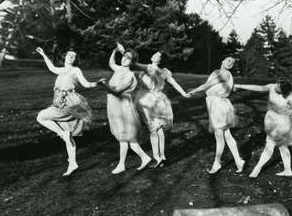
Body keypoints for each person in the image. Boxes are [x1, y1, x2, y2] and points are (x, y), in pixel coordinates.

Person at [36, 47, 105, 176]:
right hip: (58, 101)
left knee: (41, 117)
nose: (71, 57)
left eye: (74, 56)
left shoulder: (76, 70)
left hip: (68, 103)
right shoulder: (61, 70)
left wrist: (97, 83)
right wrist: (43, 54)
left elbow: (85, 84)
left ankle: (62, 133)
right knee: (68, 137)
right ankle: (73, 163)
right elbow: (51, 68)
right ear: (65, 57)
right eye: (69, 55)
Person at [235, 78, 292, 178]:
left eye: (278, 88)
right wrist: (239, 86)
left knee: (269, 146)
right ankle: (288, 171)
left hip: (283, 125)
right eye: (276, 84)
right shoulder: (273, 87)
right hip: (272, 122)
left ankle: (257, 169)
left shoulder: (291, 100)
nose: (275, 87)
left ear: (284, 92)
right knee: (282, 146)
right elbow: (259, 88)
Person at [131, 50, 189, 168]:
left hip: (147, 100)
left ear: (160, 60)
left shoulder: (151, 68)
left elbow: (134, 64)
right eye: (155, 54)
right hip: (157, 100)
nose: (156, 55)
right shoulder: (161, 71)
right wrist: (184, 93)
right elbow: (174, 84)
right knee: (158, 129)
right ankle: (162, 156)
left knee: (153, 129)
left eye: (159, 55)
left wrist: (124, 52)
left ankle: (157, 157)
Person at [188, 57, 245, 174]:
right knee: (227, 135)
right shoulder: (215, 72)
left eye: (232, 63)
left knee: (219, 136)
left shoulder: (226, 74)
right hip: (214, 104)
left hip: (219, 105)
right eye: (228, 60)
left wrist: (194, 91)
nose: (230, 63)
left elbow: (209, 84)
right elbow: (210, 85)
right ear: (222, 60)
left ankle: (217, 163)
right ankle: (239, 161)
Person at [102, 43, 152, 174]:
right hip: (115, 105)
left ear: (132, 62)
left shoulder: (129, 76)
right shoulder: (118, 69)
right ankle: (141, 158)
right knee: (123, 137)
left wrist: (103, 85)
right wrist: (114, 51)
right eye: (124, 56)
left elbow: (117, 91)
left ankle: (124, 164)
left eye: (128, 58)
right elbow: (111, 63)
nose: (124, 59)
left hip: (123, 107)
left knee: (125, 136)